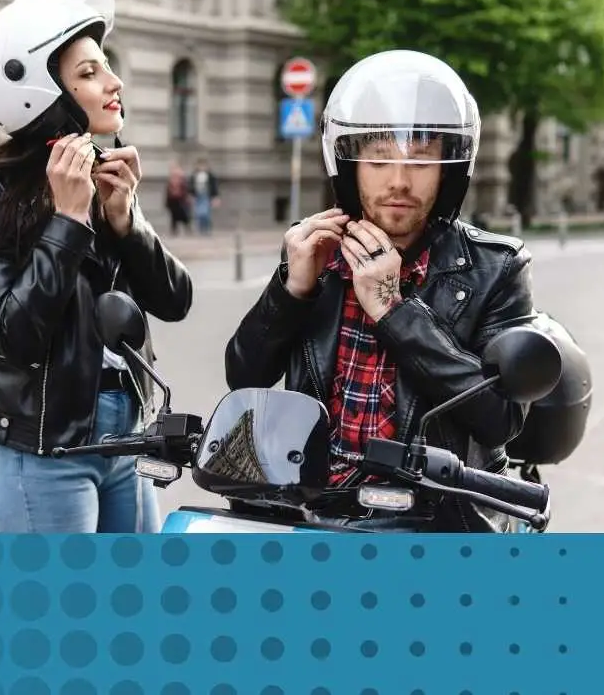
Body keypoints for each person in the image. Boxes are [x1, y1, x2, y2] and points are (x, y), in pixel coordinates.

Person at [225, 50, 545, 533]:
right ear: (349, 166)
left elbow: (500, 420)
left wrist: (394, 311)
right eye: (378, 159)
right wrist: (292, 288)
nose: (398, 180)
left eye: (420, 160)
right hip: (312, 504)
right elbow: (243, 375)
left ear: (450, 168)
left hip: (431, 513)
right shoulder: (319, 251)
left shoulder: (493, 268)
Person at [0, 0, 193, 534]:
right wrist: (68, 221)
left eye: (105, 67)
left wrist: (127, 223)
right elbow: (15, 333)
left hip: (124, 440)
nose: (114, 82)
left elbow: (176, 302)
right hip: (41, 454)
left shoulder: (103, 183)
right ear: (37, 93)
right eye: (89, 73)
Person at [189, 157, 220, 234]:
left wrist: (215, 197)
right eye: (200, 165)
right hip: (198, 196)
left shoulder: (210, 176)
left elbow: (214, 187)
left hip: (206, 196)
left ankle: (207, 228)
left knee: (206, 213)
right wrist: (191, 196)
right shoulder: (194, 175)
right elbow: (191, 187)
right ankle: (201, 229)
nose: (202, 167)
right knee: (198, 213)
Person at [165, 162, 191, 235]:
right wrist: (167, 203)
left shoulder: (182, 179)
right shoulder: (170, 180)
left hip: (181, 200)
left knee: (184, 215)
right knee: (174, 216)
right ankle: (174, 230)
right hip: (173, 201)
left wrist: (187, 199)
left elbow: (186, 190)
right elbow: (168, 192)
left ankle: (187, 228)